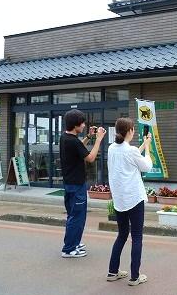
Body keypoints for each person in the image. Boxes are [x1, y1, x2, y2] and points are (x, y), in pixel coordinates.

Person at [106, 118, 153, 286]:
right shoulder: (130, 150)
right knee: (137, 237)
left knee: (122, 235)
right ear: (130, 131)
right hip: (134, 198)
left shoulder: (112, 148)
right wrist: (147, 147)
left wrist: (141, 145)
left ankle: (112, 271)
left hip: (119, 199)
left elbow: (130, 157)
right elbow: (146, 166)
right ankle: (135, 276)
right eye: (133, 129)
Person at [60, 109, 106, 258]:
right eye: (83, 123)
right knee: (77, 216)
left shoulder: (65, 138)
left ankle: (74, 242)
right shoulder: (72, 141)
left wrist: (88, 137)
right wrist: (98, 139)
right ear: (76, 125)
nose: (85, 125)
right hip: (76, 184)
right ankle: (69, 249)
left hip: (70, 183)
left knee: (73, 215)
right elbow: (91, 158)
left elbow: (79, 147)